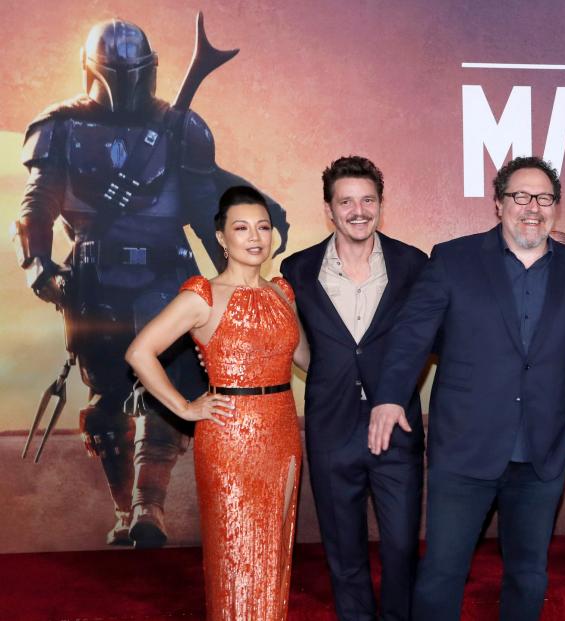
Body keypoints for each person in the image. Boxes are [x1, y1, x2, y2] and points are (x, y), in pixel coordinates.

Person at [13, 17, 287, 547]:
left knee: (171, 390)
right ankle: (125, 512)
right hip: (95, 278)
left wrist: (241, 277)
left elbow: (207, 207)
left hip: (167, 274)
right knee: (110, 396)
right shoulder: (62, 125)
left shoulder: (183, 127)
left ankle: (148, 508)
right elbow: (39, 201)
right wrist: (38, 265)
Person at [370, 156, 565, 621]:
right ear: (498, 204)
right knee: (441, 575)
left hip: (543, 454)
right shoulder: (453, 259)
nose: (532, 207)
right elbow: (412, 335)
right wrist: (390, 395)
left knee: (528, 575)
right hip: (463, 451)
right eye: (520, 196)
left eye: (543, 198)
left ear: (556, 206)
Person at [125, 186, 305, 620]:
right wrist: (186, 408)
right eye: (241, 228)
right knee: (236, 557)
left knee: (273, 550)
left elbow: (307, 359)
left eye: (263, 227)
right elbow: (139, 352)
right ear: (221, 238)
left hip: (282, 432)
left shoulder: (282, 292)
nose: (255, 237)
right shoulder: (202, 294)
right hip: (230, 439)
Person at [279, 156, 427, 621]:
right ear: (329, 209)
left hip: (396, 423)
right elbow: (296, 345)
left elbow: (426, 339)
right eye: (346, 201)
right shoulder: (297, 269)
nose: (358, 211)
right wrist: (326, 374)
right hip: (331, 425)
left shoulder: (413, 264)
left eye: (368, 200)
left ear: (381, 205)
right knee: (343, 551)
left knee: (402, 547)